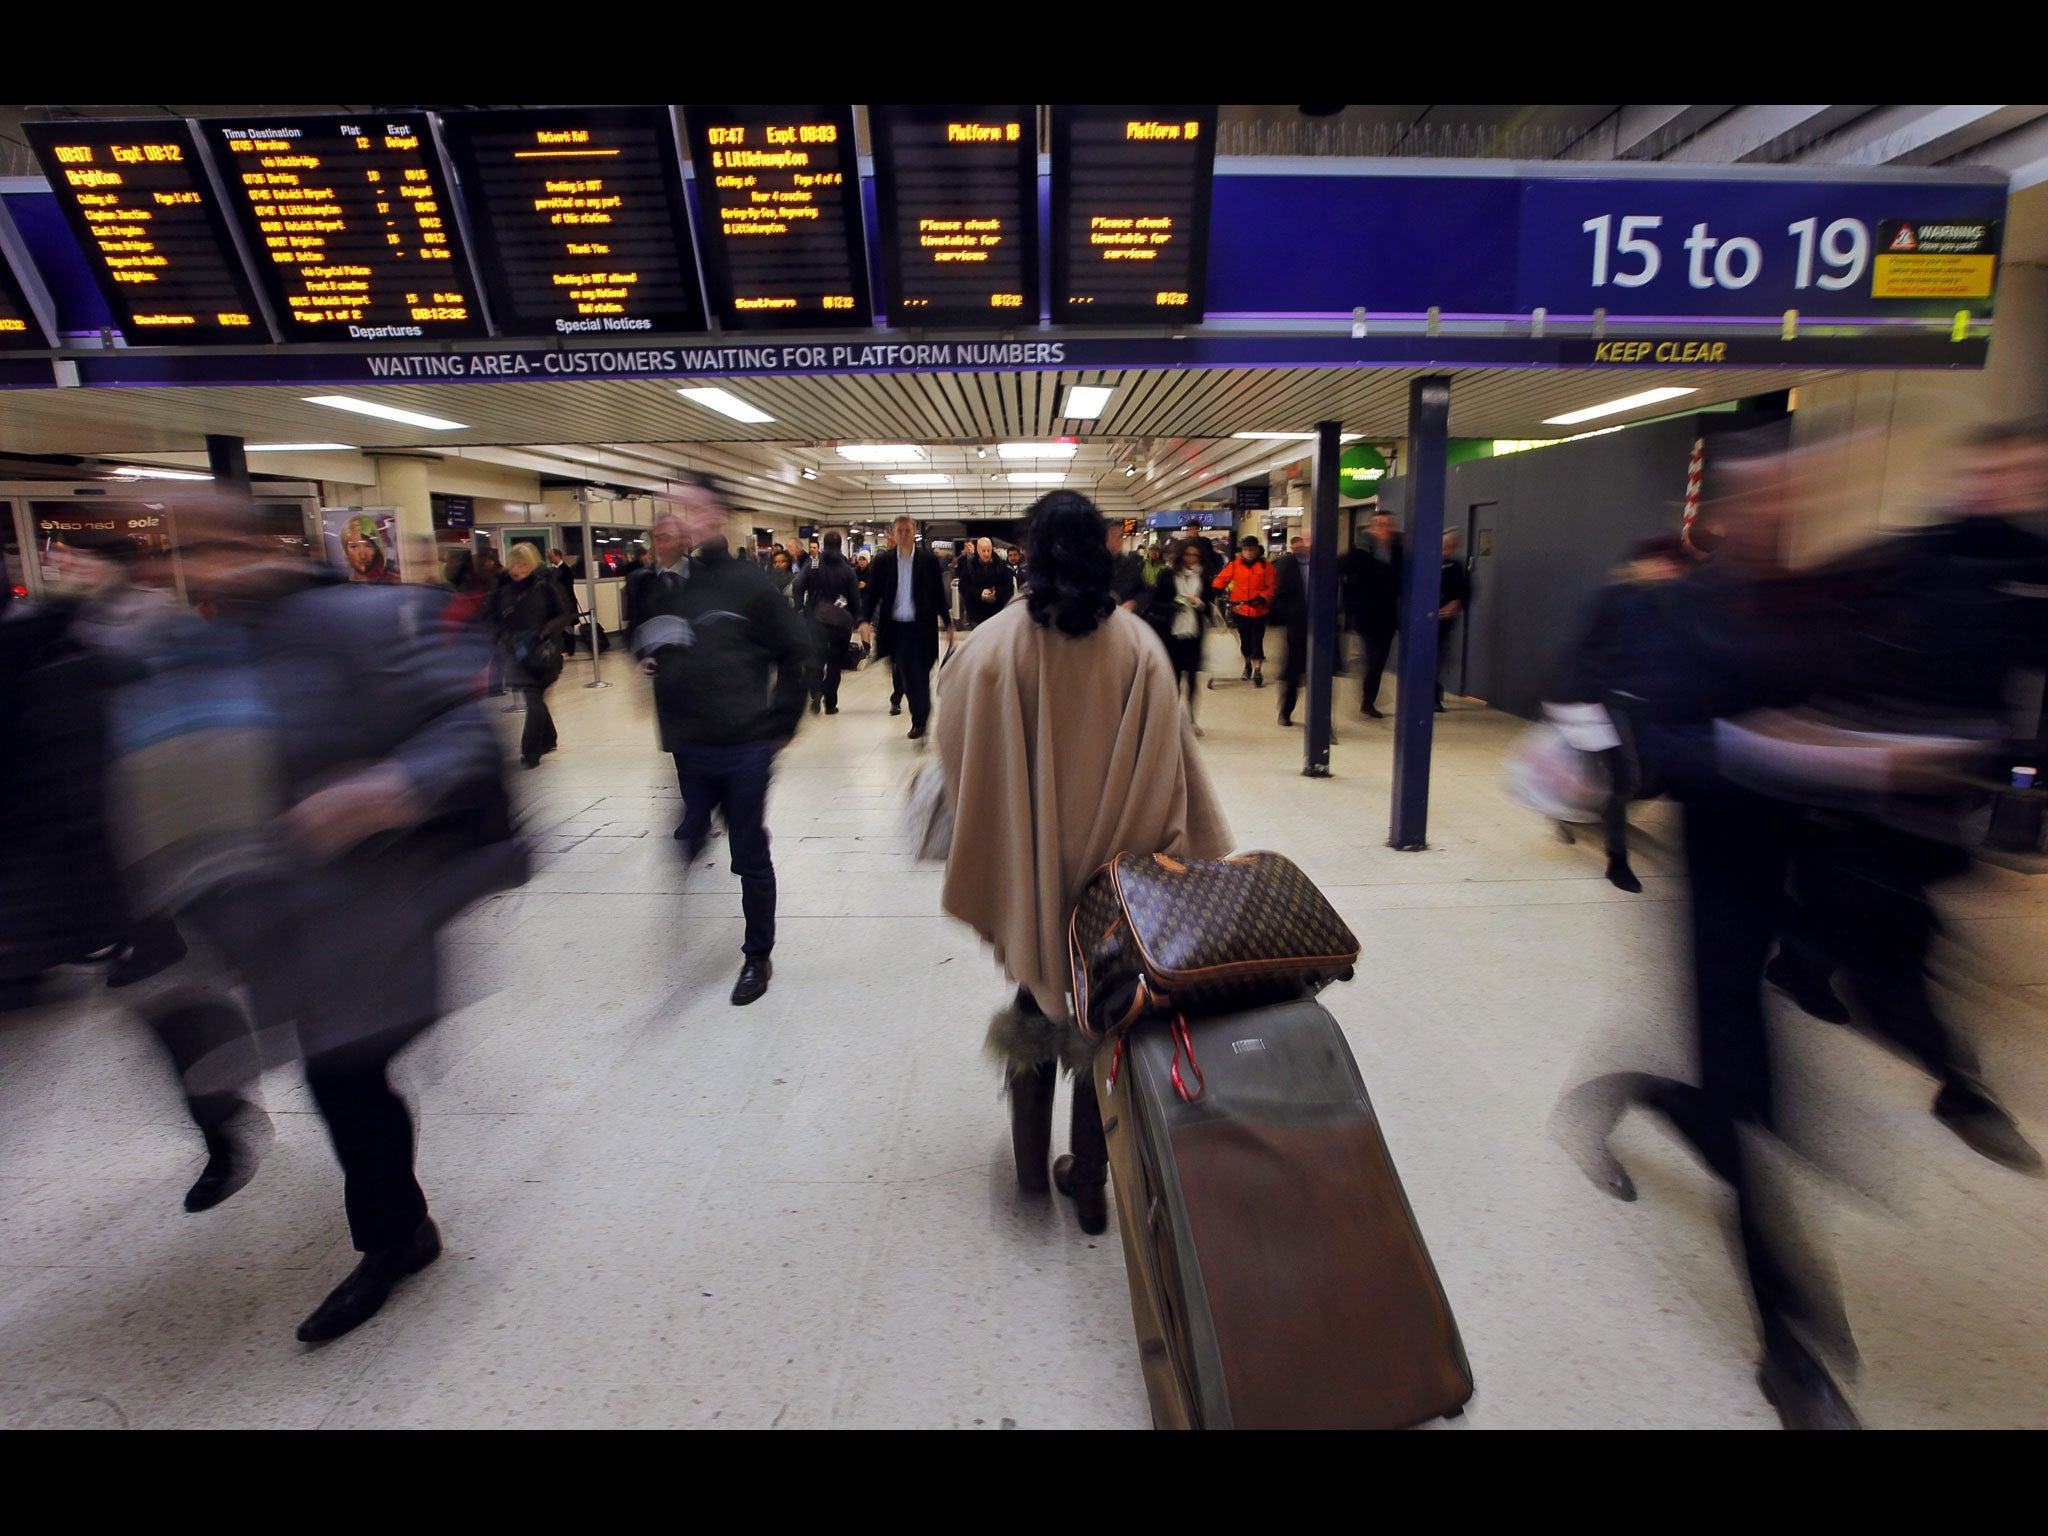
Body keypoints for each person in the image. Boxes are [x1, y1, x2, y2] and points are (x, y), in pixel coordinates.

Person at [166, 492, 520, 1344]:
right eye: (190, 552)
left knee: (345, 1078)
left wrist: (395, 786)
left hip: (365, 915)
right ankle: (403, 1231)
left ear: (264, 546)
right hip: (270, 919)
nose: (205, 569)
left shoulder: (363, 619)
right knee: (338, 1079)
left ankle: (394, 1243)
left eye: (219, 547)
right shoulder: (204, 648)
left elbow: (467, 727)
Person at [938, 491, 1231, 1235]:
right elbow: (1173, 769)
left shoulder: (994, 647)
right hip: (1118, 877)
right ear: (1102, 551)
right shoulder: (1139, 649)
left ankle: (1033, 1174)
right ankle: (1092, 1183)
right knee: (1106, 1016)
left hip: (1033, 870)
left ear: (1030, 552)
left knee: (1039, 997)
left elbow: (953, 747)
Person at [632, 475, 813, 1006]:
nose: (687, 518)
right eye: (681, 509)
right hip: (690, 743)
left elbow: (798, 651)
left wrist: (782, 723)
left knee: (748, 849)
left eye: (696, 509)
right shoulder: (671, 586)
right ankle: (695, 828)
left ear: (719, 517)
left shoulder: (750, 583)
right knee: (690, 829)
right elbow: (660, 642)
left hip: (745, 745)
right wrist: (652, 661)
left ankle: (757, 955)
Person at [1547, 534, 1693, 892]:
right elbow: (1584, 650)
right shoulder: (1614, 600)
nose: (1663, 568)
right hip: (1613, 702)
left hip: (1656, 705)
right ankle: (1617, 859)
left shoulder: (1682, 605)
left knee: (1651, 781)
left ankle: (1591, 809)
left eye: (1671, 563)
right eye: (1656, 560)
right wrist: (1574, 699)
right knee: (1626, 778)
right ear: (1639, 564)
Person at [862, 515, 953, 741]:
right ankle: (920, 719)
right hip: (896, 629)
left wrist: (949, 623)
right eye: (899, 531)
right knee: (908, 676)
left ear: (914, 534)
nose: (903, 535)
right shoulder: (884, 562)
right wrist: (863, 620)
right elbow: (872, 593)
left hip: (922, 628)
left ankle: (922, 715)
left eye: (907, 531)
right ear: (893, 534)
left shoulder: (927, 561)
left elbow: (938, 594)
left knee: (921, 674)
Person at [489, 542, 573, 769]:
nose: (517, 569)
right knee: (534, 699)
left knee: (534, 700)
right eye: (514, 564)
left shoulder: (546, 585)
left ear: (532, 564)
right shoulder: (504, 589)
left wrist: (545, 632)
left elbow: (564, 614)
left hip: (543, 653)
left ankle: (531, 750)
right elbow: (494, 618)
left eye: (523, 564)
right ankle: (549, 738)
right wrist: (502, 638)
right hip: (516, 655)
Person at [1342, 510, 1403, 717]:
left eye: (1388, 525)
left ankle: (1368, 700)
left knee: (1378, 661)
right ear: (1372, 527)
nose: (1384, 529)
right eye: (1380, 524)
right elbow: (1339, 567)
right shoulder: (1362, 551)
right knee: (1373, 657)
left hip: (1387, 615)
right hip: (1366, 615)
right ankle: (1368, 698)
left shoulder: (1399, 551)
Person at [1148, 536, 1211, 737]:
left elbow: (1209, 605)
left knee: (1193, 679)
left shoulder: (1203, 577)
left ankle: (1192, 719)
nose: (1191, 559)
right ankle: (1171, 719)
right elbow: (1155, 603)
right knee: (1172, 679)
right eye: (1188, 554)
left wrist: (1199, 603)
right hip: (1172, 634)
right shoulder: (1168, 575)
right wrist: (1175, 606)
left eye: (1195, 555)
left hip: (1194, 634)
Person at [801, 532, 860, 715]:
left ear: (823, 545)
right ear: (841, 545)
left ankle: (816, 690)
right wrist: (856, 619)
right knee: (834, 664)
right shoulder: (847, 570)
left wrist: (803, 609)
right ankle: (830, 703)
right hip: (840, 624)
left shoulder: (813, 565)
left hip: (816, 621)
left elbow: (797, 586)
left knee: (816, 659)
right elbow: (855, 599)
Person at [1212, 536, 1275, 685]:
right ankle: (1247, 665)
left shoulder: (1266, 567)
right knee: (1245, 641)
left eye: (1251, 550)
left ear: (1257, 550)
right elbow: (1222, 578)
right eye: (1245, 550)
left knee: (1257, 640)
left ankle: (1258, 671)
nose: (1248, 553)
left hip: (1259, 610)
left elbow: (1273, 586)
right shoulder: (1234, 565)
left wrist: (1263, 597)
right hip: (1240, 609)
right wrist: (1216, 588)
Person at [1272, 532, 1312, 727]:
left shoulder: (1325, 564)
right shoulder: (1288, 564)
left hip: (1322, 630)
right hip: (1297, 627)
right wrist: (1289, 617)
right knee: (1293, 673)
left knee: (1322, 676)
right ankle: (1286, 711)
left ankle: (1322, 719)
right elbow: (1280, 594)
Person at [1436, 529, 1470, 712]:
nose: (1447, 549)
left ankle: (1434, 695)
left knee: (1439, 657)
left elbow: (1465, 590)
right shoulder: (1427, 563)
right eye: (1445, 545)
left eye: (1451, 546)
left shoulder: (1456, 566)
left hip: (1445, 620)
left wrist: (1456, 603)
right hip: (1427, 620)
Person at [959, 536, 1015, 629]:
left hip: (997, 614)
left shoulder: (1001, 565)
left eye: (988, 550)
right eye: (983, 551)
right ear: (977, 550)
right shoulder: (969, 566)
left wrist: (996, 593)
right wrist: (980, 593)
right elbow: (963, 586)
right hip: (976, 615)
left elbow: (1009, 587)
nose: (986, 554)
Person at [339, 514, 400, 584]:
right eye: (354, 547)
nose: (362, 556)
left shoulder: (393, 582)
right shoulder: (338, 587)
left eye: (368, 546)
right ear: (346, 550)